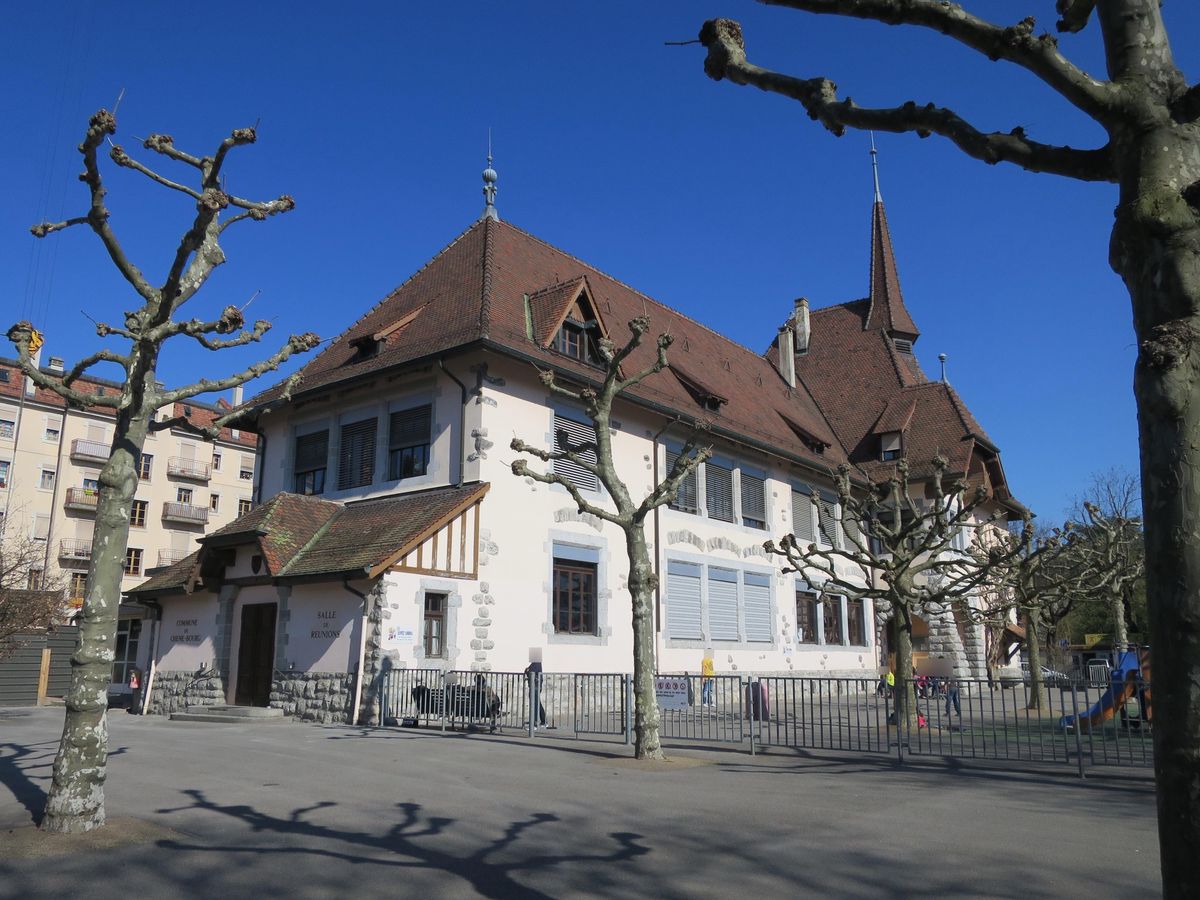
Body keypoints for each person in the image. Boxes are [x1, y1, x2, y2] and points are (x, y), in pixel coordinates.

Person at [524, 659, 547, 729]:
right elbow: (527, 671)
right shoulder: (534, 663)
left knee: (534, 704)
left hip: (535, 686)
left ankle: (534, 723)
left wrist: (527, 670)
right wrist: (527, 670)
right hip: (534, 685)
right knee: (537, 703)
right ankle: (543, 721)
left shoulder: (536, 663)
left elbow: (530, 672)